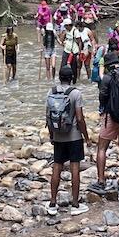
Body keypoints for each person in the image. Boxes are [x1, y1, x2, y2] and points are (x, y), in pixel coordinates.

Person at [90, 53, 119, 194]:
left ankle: (101, 181)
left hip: (111, 116)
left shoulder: (107, 78)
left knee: (102, 148)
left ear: (107, 65)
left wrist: (104, 110)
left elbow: (103, 96)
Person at [45, 64, 90, 216]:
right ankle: (75, 204)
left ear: (59, 76)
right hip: (74, 136)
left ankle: (52, 203)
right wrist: (86, 137)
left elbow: (47, 116)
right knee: (74, 168)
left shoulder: (50, 92)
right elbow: (80, 118)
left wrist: (52, 135)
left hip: (58, 136)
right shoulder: (76, 93)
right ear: (72, 77)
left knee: (56, 167)